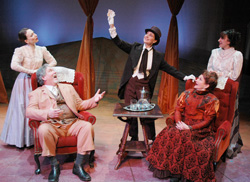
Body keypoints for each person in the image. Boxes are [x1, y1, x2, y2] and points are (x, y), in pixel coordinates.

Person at [107, 9, 195, 142]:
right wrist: (112, 24)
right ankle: (133, 137)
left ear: (155, 41)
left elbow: (170, 69)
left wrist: (185, 77)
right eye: (146, 34)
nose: (147, 36)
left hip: (144, 86)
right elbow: (118, 42)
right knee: (130, 111)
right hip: (131, 83)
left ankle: (151, 138)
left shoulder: (158, 56)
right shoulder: (135, 48)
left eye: (150, 36)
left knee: (146, 113)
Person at [26, 64, 105, 182]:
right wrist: (48, 113)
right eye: (51, 70)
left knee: (87, 126)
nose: (55, 72)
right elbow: (29, 112)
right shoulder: (37, 93)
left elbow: (79, 105)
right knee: (43, 129)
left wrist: (94, 100)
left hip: (72, 123)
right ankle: (54, 165)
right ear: (43, 77)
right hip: (52, 125)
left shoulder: (68, 88)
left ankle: (78, 165)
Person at [146, 70, 219, 182]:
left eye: (199, 79)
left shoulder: (212, 100)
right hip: (183, 123)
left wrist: (190, 128)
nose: (196, 80)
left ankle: (179, 174)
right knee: (169, 133)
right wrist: (179, 122)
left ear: (207, 85)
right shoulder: (187, 93)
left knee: (186, 138)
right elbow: (178, 109)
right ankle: (171, 170)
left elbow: (207, 121)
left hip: (200, 129)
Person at [1, 28, 57, 148]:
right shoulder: (20, 50)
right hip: (24, 81)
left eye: (34, 33)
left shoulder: (42, 49)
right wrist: (31, 71)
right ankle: (22, 140)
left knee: (39, 106)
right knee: (23, 107)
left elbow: (53, 62)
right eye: (31, 35)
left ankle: (40, 137)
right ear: (26, 40)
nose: (35, 35)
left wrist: (41, 70)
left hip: (37, 80)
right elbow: (14, 65)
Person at [207, 29, 243, 158]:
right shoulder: (214, 52)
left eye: (222, 38)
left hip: (227, 91)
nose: (219, 40)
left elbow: (234, 76)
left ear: (229, 41)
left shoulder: (237, 55)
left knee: (227, 115)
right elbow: (209, 69)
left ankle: (226, 144)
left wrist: (219, 75)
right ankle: (209, 140)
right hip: (213, 88)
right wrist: (216, 76)